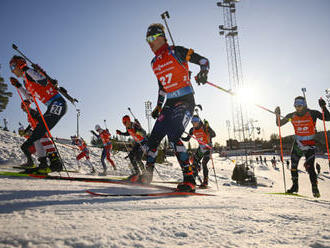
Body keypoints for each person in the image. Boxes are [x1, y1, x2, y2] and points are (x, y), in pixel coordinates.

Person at [139, 23, 210, 192]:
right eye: (146, 40)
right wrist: (158, 106)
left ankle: (189, 178)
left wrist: (203, 72)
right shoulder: (154, 62)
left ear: (162, 37)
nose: (149, 43)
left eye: (152, 38)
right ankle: (148, 175)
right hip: (170, 102)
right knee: (153, 139)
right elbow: (162, 87)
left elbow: (203, 61)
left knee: (173, 135)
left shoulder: (175, 51)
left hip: (185, 99)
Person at [9, 55, 66, 173]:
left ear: (19, 64)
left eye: (13, 66)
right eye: (11, 68)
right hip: (52, 105)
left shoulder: (29, 72)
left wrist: (30, 69)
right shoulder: (26, 79)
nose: (12, 70)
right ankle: (44, 164)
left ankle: (55, 164)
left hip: (58, 103)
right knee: (39, 134)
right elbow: (30, 97)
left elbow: (44, 81)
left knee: (39, 132)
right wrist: (19, 86)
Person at [275, 96, 330, 197]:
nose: (297, 107)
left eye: (299, 105)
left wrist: (323, 107)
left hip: (310, 145)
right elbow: (279, 124)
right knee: (293, 166)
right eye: (296, 105)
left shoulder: (312, 113)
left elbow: (328, 118)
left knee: (310, 168)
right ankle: (295, 186)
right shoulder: (292, 115)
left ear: (304, 104)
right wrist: (277, 115)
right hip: (298, 145)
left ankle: (314, 188)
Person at [181, 115, 216, 188]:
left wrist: (208, 128)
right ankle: (193, 177)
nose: (194, 123)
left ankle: (205, 182)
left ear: (199, 121)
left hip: (208, 147)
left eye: (196, 121)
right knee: (194, 163)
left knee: (204, 163)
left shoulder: (204, 127)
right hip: (201, 148)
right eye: (193, 121)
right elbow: (187, 139)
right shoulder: (192, 130)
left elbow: (213, 135)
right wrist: (180, 137)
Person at [116, 115, 147, 181]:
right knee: (131, 155)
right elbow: (128, 133)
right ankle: (137, 173)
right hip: (138, 143)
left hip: (143, 142)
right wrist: (121, 133)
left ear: (129, 121)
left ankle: (145, 174)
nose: (125, 124)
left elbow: (144, 133)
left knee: (138, 158)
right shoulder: (128, 128)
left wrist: (137, 131)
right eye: (123, 123)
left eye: (125, 122)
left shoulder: (135, 125)